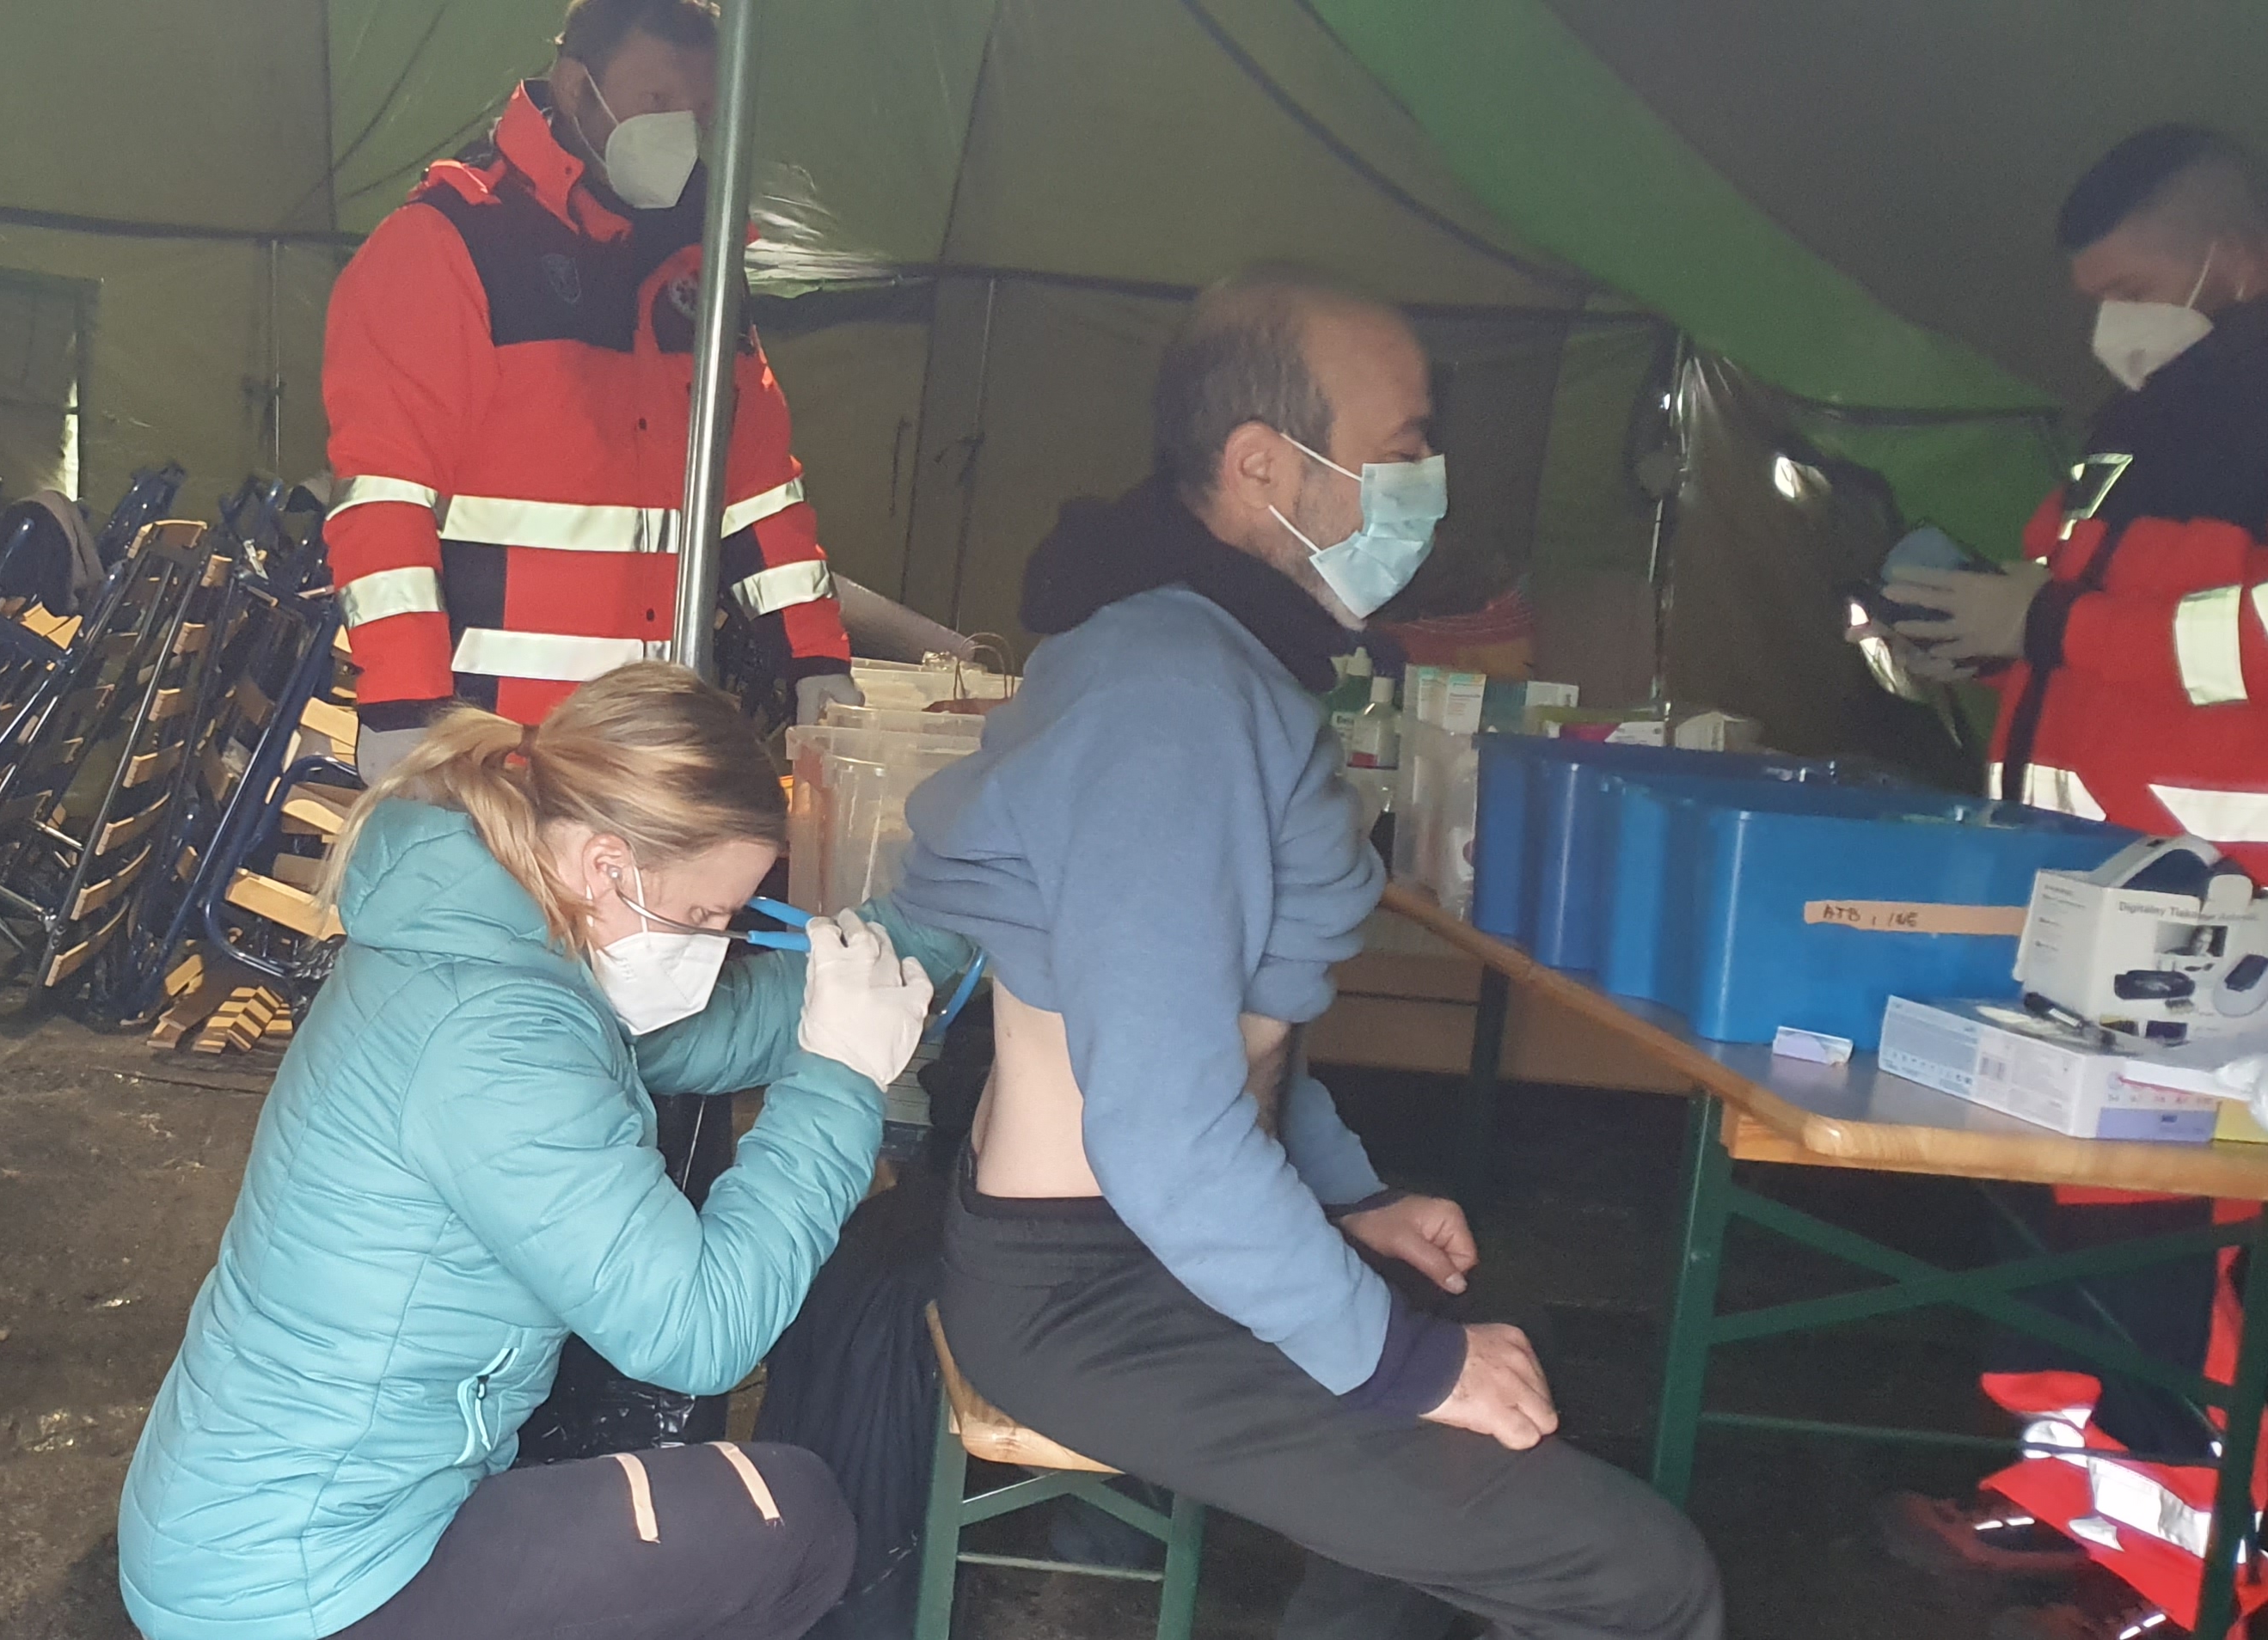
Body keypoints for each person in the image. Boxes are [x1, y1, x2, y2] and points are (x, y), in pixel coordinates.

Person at [893, 267, 1724, 1639]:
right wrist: (1404, 1364)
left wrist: (1349, 1196)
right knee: (1633, 1572)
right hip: (1093, 1286)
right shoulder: (1171, 697)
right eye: (1401, 451)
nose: (1425, 488)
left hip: (1148, 1240)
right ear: (1263, 466)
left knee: (1509, 1341)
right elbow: (1165, 1129)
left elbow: (1221, 1024)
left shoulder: (1207, 657)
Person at [117, 663, 968, 1640]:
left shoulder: (495, 932)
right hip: (307, 1580)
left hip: (263, 1517)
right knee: (795, 1522)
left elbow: (726, 1028)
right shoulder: (497, 1032)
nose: (711, 943)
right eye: (701, 918)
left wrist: (943, 921)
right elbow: (699, 1330)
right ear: (607, 864)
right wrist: (841, 1079)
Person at [1876, 125, 2268, 1640]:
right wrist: (1983, 636)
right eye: (2093, 298)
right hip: (2073, 905)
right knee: (2062, 1225)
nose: (2113, 323)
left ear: (2231, 259)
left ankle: (2198, 1573)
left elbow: (2236, 642)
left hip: (2216, 920)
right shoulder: (2133, 425)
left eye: (2134, 289)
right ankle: (2067, 1497)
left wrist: (2042, 628)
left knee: (2181, 1250)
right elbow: (2075, 609)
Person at [321, 0, 862, 775]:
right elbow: (384, 500)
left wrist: (814, 657)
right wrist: (403, 706)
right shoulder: (447, 244)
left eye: (701, 113)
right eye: (656, 101)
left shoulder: (699, 268)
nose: (681, 130)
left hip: (648, 744)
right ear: (577, 86)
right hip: (494, 749)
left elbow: (756, 488)